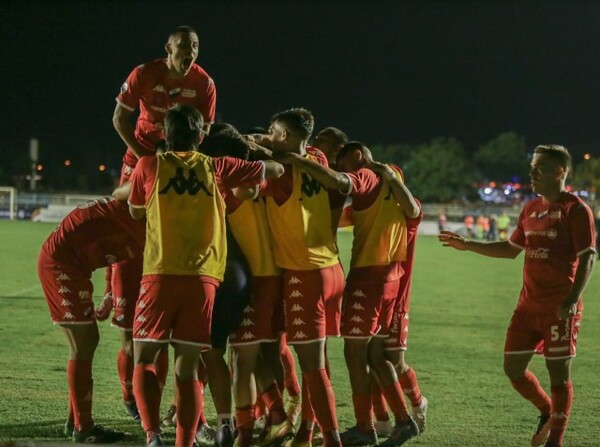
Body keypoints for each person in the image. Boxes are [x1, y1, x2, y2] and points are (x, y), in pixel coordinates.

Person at [127, 105, 283, 447]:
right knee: (188, 365)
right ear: (200, 136)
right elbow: (275, 168)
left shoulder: (148, 165)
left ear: (165, 136)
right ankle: (186, 442)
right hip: (203, 280)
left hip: (160, 274)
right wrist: (255, 151)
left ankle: (153, 436)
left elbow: (136, 210)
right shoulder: (218, 167)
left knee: (144, 358)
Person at [439, 144, 596, 447]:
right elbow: (511, 250)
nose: (532, 173)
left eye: (538, 168)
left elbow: (588, 257)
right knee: (512, 368)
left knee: (559, 376)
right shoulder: (530, 208)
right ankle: (547, 411)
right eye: (532, 167)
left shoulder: (575, 210)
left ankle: (556, 441)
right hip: (527, 307)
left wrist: (572, 299)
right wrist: (467, 244)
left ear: (559, 171)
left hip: (559, 308)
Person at [276, 141, 422, 447]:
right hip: (393, 278)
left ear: (356, 155)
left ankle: (366, 425)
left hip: (369, 276)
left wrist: (301, 163)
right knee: (375, 354)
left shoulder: (366, 174)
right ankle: (403, 420)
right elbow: (410, 210)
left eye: (341, 162)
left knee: (354, 353)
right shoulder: (391, 174)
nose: (340, 170)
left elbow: (342, 183)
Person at [110, 25, 217, 415]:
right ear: (167, 49)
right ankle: (118, 285)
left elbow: (202, 132)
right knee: (131, 231)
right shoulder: (144, 73)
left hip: (177, 162)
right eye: (183, 47)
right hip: (139, 160)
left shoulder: (205, 84)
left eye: (195, 47)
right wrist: (142, 157)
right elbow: (119, 119)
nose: (190, 53)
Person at [250, 108, 345, 447]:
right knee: (318, 361)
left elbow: (259, 165)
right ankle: (307, 432)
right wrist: (264, 140)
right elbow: (273, 147)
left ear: (287, 137)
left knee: (312, 368)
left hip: (304, 274)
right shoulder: (316, 156)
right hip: (332, 269)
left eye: (274, 132)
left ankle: (331, 440)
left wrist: (254, 146)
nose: (269, 136)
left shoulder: (280, 175)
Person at [37, 197, 146, 443]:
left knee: (85, 344)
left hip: (71, 265)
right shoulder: (137, 221)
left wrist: (109, 292)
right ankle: (83, 428)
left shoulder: (122, 208)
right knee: (83, 344)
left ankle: (75, 420)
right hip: (61, 266)